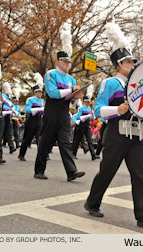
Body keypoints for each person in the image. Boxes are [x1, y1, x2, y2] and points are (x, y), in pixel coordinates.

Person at [85, 46, 143, 227]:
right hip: (116, 134)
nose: (132, 64)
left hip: (135, 135)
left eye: (133, 62)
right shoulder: (111, 83)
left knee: (139, 174)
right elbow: (98, 110)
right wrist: (117, 109)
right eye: (128, 62)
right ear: (118, 65)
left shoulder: (138, 84)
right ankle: (92, 202)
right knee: (107, 171)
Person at [33, 51, 85, 181]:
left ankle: (71, 172)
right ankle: (39, 170)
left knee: (65, 142)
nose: (67, 64)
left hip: (64, 112)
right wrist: (71, 91)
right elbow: (53, 93)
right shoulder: (51, 74)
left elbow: (72, 101)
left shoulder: (71, 79)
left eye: (68, 61)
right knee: (45, 141)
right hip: (52, 111)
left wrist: (76, 96)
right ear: (58, 62)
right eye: (64, 61)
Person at [18, 85, 44, 161]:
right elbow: (28, 110)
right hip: (31, 120)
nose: (40, 93)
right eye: (38, 92)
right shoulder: (30, 99)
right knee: (27, 139)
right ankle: (21, 154)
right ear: (35, 92)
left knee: (40, 138)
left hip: (39, 120)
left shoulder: (42, 101)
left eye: (41, 92)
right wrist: (40, 109)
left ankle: (42, 156)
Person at [72, 96, 98, 160]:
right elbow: (78, 117)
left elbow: (93, 118)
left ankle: (93, 155)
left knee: (89, 140)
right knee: (77, 140)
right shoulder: (80, 108)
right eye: (86, 102)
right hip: (81, 125)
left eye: (88, 102)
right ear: (84, 102)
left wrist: (92, 114)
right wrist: (87, 116)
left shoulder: (90, 109)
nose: (87, 103)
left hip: (87, 125)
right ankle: (73, 154)